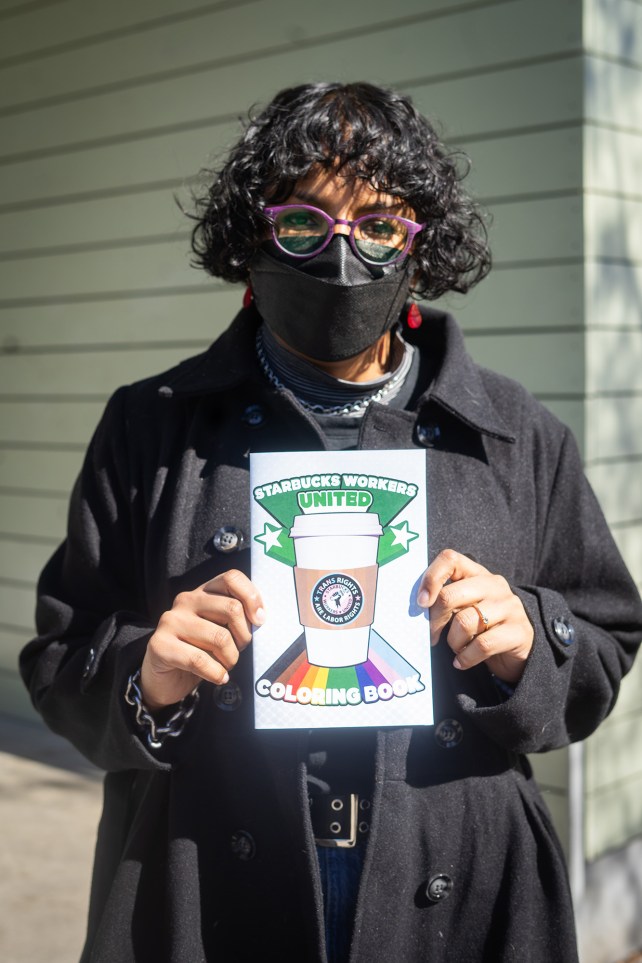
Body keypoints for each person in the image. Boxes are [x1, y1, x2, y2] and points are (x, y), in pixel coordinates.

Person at [20, 82, 642, 963]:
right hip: (207, 883)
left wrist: (532, 641)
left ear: (421, 246)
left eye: (380, 225)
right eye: (304, 224)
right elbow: (59, 653)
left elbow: (607, 639)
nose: (343, 258)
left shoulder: (518, 433)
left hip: (459, 887)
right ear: (251, 240)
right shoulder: (152, 426)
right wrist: (142, 677)